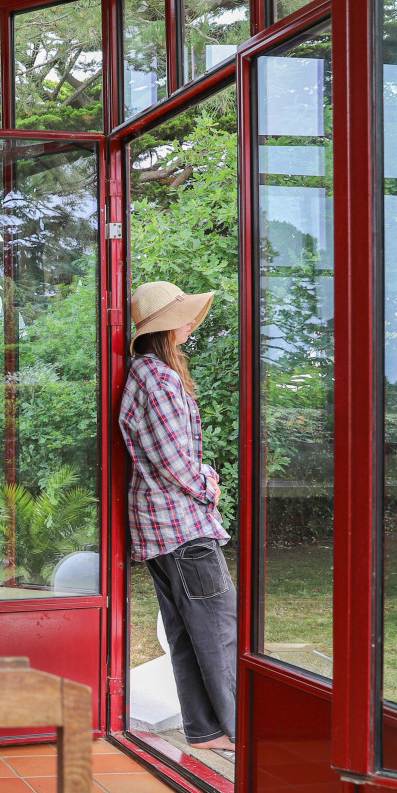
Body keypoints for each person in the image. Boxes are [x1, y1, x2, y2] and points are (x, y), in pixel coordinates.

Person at [119, 280, 236, 756]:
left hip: (159, 525)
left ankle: (207, 732)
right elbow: (174, 460)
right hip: (182, 524)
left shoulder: (143, 373)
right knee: (221, 629)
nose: (191, 322)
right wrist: (208, 484)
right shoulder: (160, 379)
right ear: (165, 327)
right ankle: (240, 729)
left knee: (186, 632)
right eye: (183, 316)